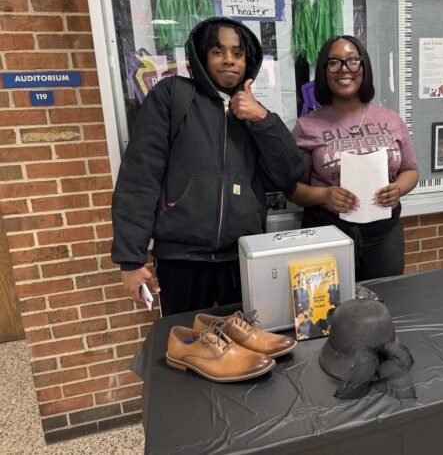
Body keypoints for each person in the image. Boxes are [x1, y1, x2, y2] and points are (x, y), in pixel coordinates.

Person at [112, 17, 304, 315]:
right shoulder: (172, 96)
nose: (229, 60)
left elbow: (289, 176)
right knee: (187, 346)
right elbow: (140, 179)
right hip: (182, 259)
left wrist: (263, 119)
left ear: (248, 60)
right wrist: (131, 260)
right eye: (218, 51)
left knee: (247, 347)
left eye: (237, 53)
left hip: (242, 257)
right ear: (202, 56)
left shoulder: (253, 114)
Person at [288, 35, 419, 281]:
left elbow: (411, 170)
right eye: (334, 62)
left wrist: (398, 188)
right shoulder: (307, 126)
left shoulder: (391, 120)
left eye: (353, 61)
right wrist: (324, 195)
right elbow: (293, 190)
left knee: (385, 301)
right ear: (325, 72)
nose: (344, 69)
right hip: (327, 232)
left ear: (364, 67)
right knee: (328, 309)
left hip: (384, 233)